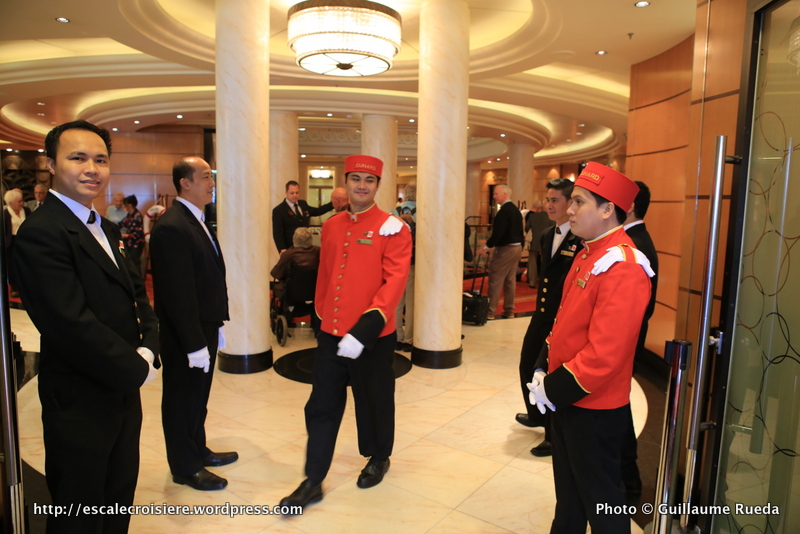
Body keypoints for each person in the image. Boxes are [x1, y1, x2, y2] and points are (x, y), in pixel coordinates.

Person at [12, 120, 159, 533]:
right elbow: (69, 324)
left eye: (100, 159)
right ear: (51, 164)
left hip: (123, 391)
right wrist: (136, 368)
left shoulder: (106, 227)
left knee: (117, 497)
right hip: (79, 397)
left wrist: (149, 347)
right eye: (77, 158)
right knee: (79, 509)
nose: (91, 168)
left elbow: (138, 296)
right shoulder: (41, 233)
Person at [280, 154, 411, 512]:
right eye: (355, 179)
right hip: (332, 333)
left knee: (374, 400)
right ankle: (312, 479)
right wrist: (322, 319)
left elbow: (394, 283)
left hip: (372, 336)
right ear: (347, 181)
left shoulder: (393, 228)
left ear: (378, 185)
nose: (362, 186)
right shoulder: (334, 225)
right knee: (321, 405)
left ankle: (378, 455)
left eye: (369, 181)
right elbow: (327, 276)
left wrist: (364, 329)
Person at [529, 162, 654, 534]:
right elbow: (564, 323)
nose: (569, 210)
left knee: (604, 505)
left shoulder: (625, 265)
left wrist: (552, 388)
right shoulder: (589, 252)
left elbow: (605, 353)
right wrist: (541, 367)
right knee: (569, 496)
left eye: (579, 202)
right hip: (569, 399)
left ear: (607, 209)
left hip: (594, 407)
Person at [149, 156, 237, 491]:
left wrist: (217, 324)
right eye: (205, 177)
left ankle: (197, 449)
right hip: (186, 333)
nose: (211, 183)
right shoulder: (172, 225)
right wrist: (193, 342)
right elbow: (177, 293)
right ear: (185, 182)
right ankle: (184, 466)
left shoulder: (196, 219)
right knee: (181, 398)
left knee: (198, 396)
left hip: (204, 325)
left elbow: (208, 275)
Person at [516, 178, 581, 458]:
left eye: (555, 200)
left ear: (569, 203)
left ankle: (553, 436)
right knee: (527, 365)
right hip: (541, 316)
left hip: (562, 320)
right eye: (548, 199)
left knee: (553, 375)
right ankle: (536, 414)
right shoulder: (546, 235)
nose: (548, 205)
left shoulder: (580, 240)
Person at [620, 180, 659, 501]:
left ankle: (628, 476)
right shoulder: (632, 239)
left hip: (624, 343)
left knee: (617, 408)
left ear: (629, 205)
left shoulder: (636, 245)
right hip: (626, 342)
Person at [479, 184, 524, 320]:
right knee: (510, 280)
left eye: (496, 194)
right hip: (517, 248)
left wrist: (486, 247)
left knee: (496, 279)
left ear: (505, 194)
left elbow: (498, 233)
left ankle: (490, 312)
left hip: (506, 249)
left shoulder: (504, 211)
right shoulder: (515, 210)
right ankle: (509, 310)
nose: (494, 196)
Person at [272, 181, 335, 253]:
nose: (295, 195)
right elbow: (277, 233)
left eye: (297, 193)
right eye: (292, 193)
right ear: (286, 192)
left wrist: (332, 204)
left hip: (306, 247)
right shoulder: (279, 210)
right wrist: (282, 250)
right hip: (290, 248)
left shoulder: (303, 204)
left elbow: (317, 211)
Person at [394, 181, 416, 352]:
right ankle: (409, 339)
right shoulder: (422, 212)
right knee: (411, 301)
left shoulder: (393, 212)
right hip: (414, 261)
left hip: (396, 262)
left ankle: (397, 337)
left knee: (396, 301)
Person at [4, 189, 31, 297]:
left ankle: (26, 286)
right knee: (12, 266)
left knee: (26, 264)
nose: (21, 203)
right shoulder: (5, 213)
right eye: (18, 201)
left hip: (26, 240)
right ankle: (14, 288)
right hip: (11, 243)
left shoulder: (26, 210)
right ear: (11, 203)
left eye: (21, 201)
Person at [524, 200, 554, 288]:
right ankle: (543, 281)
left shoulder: (533, 216)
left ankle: (532, 282)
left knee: (532, 262)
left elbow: (527, 228)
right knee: (544, 263)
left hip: (534, 242)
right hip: (546, 243)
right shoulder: (550, 217)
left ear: (540, 208)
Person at [120, 194, 145, 277]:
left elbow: (137, 234)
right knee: (129, 262)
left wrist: (125, 235)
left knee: (135, 264)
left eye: (125, 204)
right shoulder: (129, 215)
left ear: (129, 205)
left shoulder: (137, 216)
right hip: (129, 244)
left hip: (136, 244)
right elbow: (121, 224)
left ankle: (138, 282)